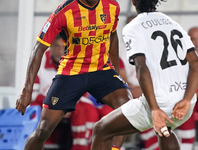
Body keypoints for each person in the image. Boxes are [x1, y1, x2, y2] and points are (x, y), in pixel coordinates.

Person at [15, 0, 132, 150]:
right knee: (43, 130)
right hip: (71, 74)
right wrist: (26, 90)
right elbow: (38, 48)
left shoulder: (112, 6)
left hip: (102, 70)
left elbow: (112, 35)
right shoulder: (63, 12)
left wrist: (115, 71)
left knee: (128, 108)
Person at [90, 0, 198, 150]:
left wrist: (154, 109)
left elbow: (141, 67)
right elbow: (196, 64)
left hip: (161, 102)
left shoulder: (133, 27)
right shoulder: (173, 23)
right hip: (185, 102)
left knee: (101, 129)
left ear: (133, 2)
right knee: (165, 129)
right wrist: (187, 99)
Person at [30, 34, 73, 150]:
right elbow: (33, 95)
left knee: (86, 109)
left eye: (64, 48)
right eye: (57, 47)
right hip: (46, 105)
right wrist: (55, 105)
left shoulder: (74, 62)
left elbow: (83, 93)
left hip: (67, 105)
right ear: (51, 47)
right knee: (33, 108)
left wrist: (66, 105)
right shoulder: (39, 62)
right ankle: (37, 146)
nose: (60, 51)